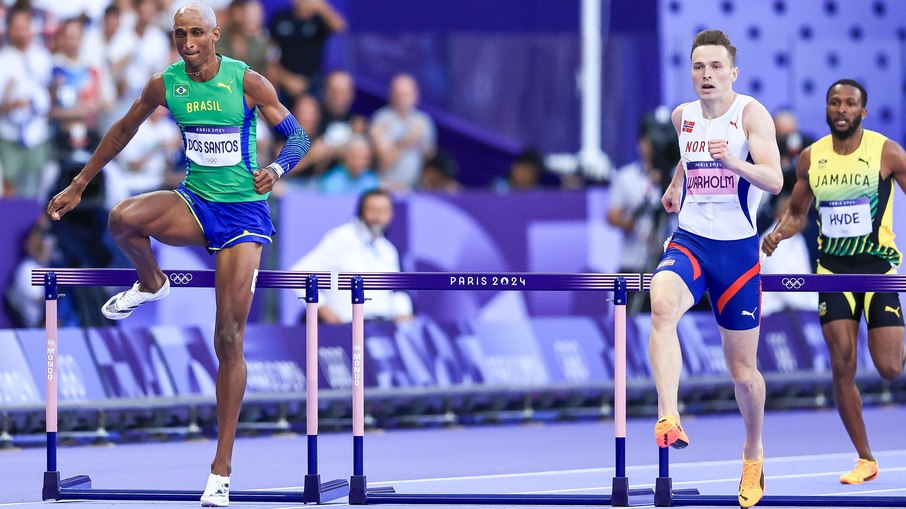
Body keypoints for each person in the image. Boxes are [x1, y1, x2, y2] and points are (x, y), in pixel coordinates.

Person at [45, 3, 311, 506]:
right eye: (179, 34)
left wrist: (276, 171)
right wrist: (80, 182)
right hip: (194, 202)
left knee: (228, 336)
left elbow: (297, 136)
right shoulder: (165, 84)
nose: (187, 42)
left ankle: (221, 468)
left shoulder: (247, 81)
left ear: (215, 35)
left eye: (195, 33)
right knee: (122, 218)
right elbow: (123, 130)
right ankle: (151, 282)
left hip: (242, 216)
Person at [648, 29, 782, 508]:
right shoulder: (682, 115)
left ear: (733, 72)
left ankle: (752, 452)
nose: (707, 76)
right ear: (692, 71)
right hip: (691, 240)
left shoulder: (751, 114)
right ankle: (669, 414)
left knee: (743, 373)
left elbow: (774, 177)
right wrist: (676, 184)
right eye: (699, 67)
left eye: (716, 67)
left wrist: (736, 163)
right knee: (660, 304)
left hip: (737, 254)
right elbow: (690, 157)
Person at [762, 79, 906, 486]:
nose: (841, 109)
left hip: (879, 273)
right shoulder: (810, 159)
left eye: (850, 104)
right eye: (834, 103)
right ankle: (865, 459)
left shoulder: (887, 152)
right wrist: (777, 233)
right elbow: (797, 212)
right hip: (832, 274)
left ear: (863, 111)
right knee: (842, 367)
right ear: (826, 110)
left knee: (890, 367)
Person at [290, 189, 413, 324]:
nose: (378, 217)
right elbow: (298, 275)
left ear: (391, 214)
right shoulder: (341, 238)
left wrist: (403, 313)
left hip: (383, 328)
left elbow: (396, 291)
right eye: (373, 210)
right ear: (361, 211)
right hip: (347, 327)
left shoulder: (387, 249)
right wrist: (323, 310)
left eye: (384, 211)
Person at [369, 73, 437, 191]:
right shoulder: (381, 120)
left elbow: (429, 155)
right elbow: (386, 160)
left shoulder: (423, 120)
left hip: (412, 189)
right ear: (391, 95)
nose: (402, 99)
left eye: (406, 95)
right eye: (398, 95)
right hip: (385, 188)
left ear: (415, 95)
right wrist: (408, 139)